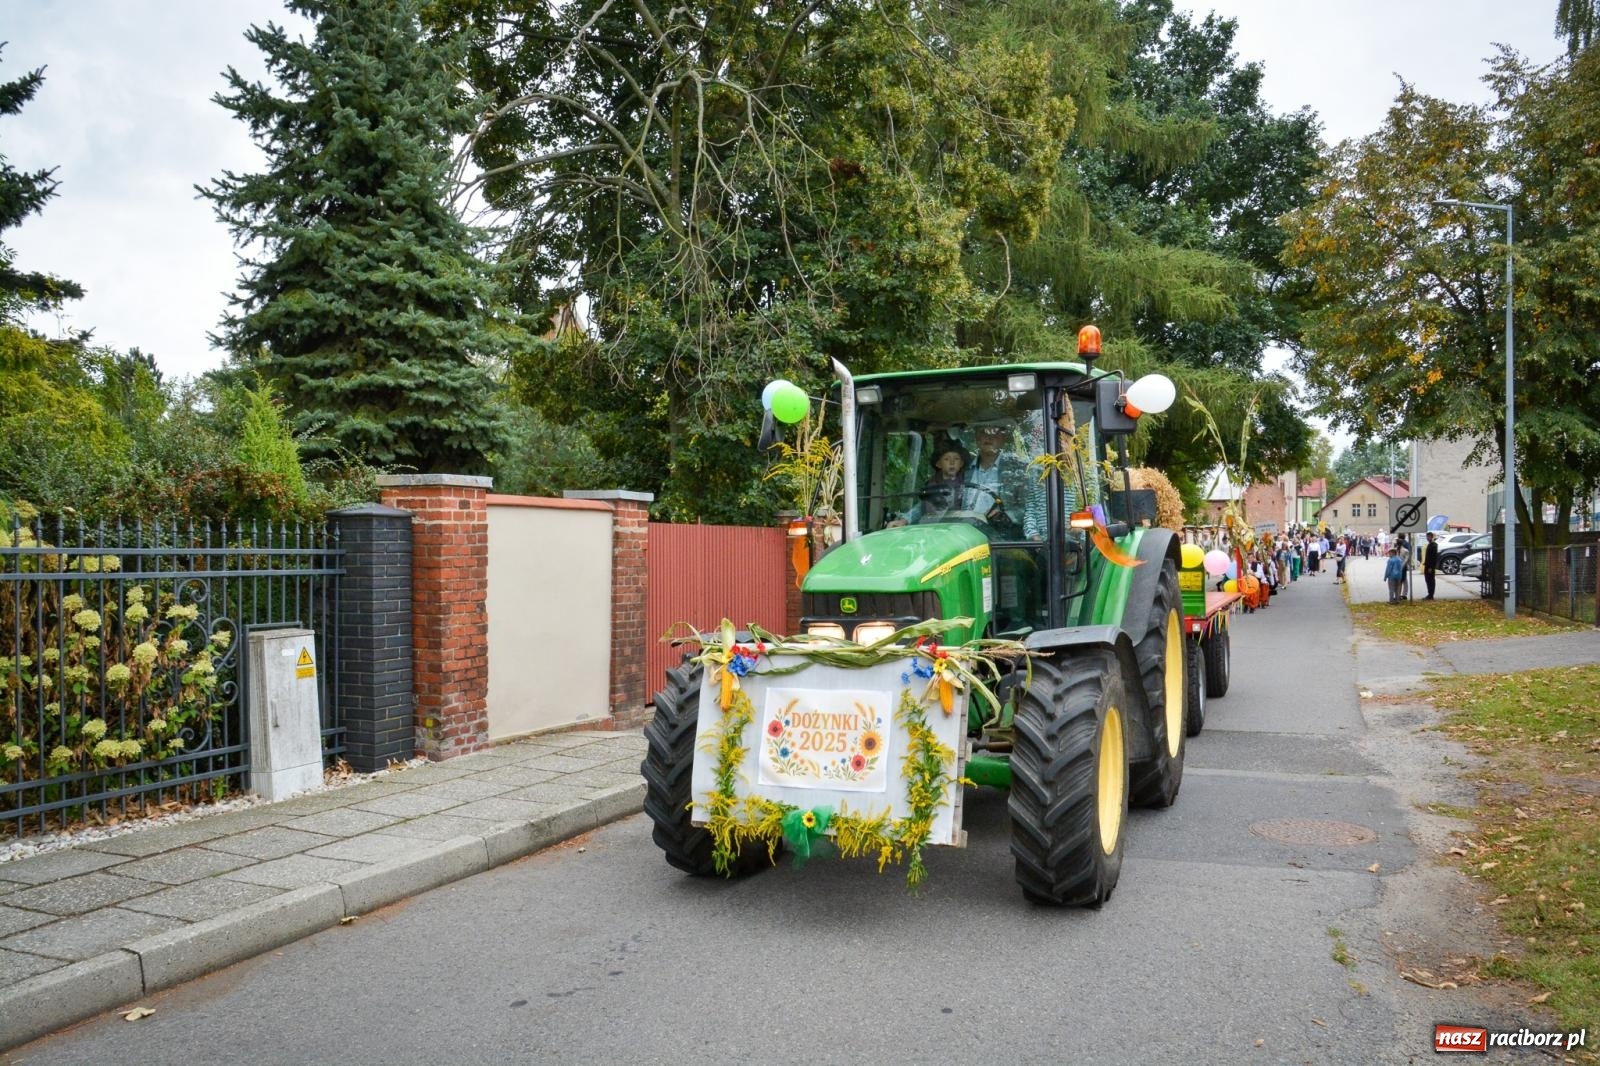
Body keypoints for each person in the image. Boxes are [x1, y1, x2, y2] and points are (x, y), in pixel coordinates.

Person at [891, 441, 987, 525]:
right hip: (931, 529)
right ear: (938, 464)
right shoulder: (931, 484)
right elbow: (922, 507)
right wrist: (904, 520)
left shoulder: (968, 484)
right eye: (946, 459)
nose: (952, 462)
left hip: (959, 529)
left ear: (962, 463)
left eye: (956, 459)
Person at [1422, 531, 1439, 600]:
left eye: (1429, 536)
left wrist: (1431, 567)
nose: (1427, 538)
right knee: (1427, 580)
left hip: (1430, 566)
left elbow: (1433, 557)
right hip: (1427, 565)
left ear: (1432, 537)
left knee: (1431, 580)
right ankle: (1429, 594)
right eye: (1427, 536)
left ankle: (1431, 595)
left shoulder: (1434, 545)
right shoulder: (1429, 544)